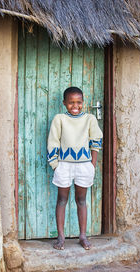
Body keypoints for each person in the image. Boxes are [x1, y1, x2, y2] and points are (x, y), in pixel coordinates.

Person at [47, 87, 103, 250]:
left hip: (84, 166)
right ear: (64, 103)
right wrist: (55, 165)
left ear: (83, 103)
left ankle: (83, 236)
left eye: (78, 102)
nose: (75, 106)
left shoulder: (90, 119)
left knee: (81, 200)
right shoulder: (60, 119)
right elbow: (53, 141)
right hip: (64, 165)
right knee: (62, 200)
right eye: (71, 102)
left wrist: (92, 164)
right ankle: (61, 237)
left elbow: (96, 141)